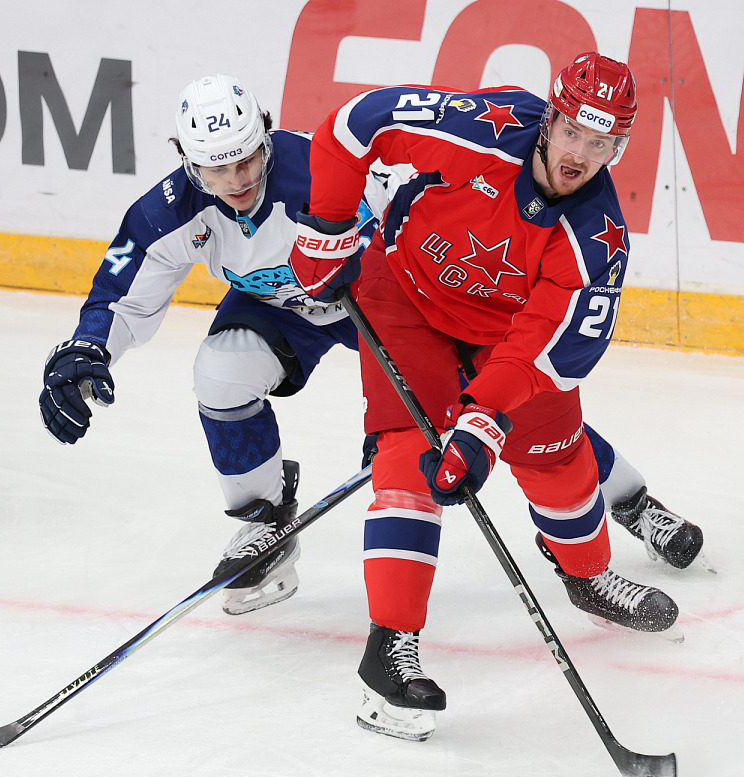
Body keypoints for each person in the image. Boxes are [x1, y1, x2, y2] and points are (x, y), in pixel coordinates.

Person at [289, 54, 705, 741]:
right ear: (550, 118)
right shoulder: (482, 127)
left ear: (619, 148)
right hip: (406, 295)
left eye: (600, 143)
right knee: (408, 455)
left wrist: (482, 420)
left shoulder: (596, 238)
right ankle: (389, 652)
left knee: (558, 456)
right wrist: (328, 228)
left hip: (505, 340)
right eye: (572, 132)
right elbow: (353, 125)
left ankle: (587, 578)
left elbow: (549, 350)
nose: (579, 155)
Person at [39, 74, 390, 615]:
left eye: (247, 160)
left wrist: (403, 404)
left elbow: (410, 261)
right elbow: (122, 298)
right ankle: (265, 520)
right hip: (277, 308)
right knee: (221, 373)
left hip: (380, 299)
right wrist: (86, 349)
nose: (238, 179)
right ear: (188, 162)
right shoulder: (168, 212)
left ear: (265, 138)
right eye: (217, 168)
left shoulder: (322, 172)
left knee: (469, 409)